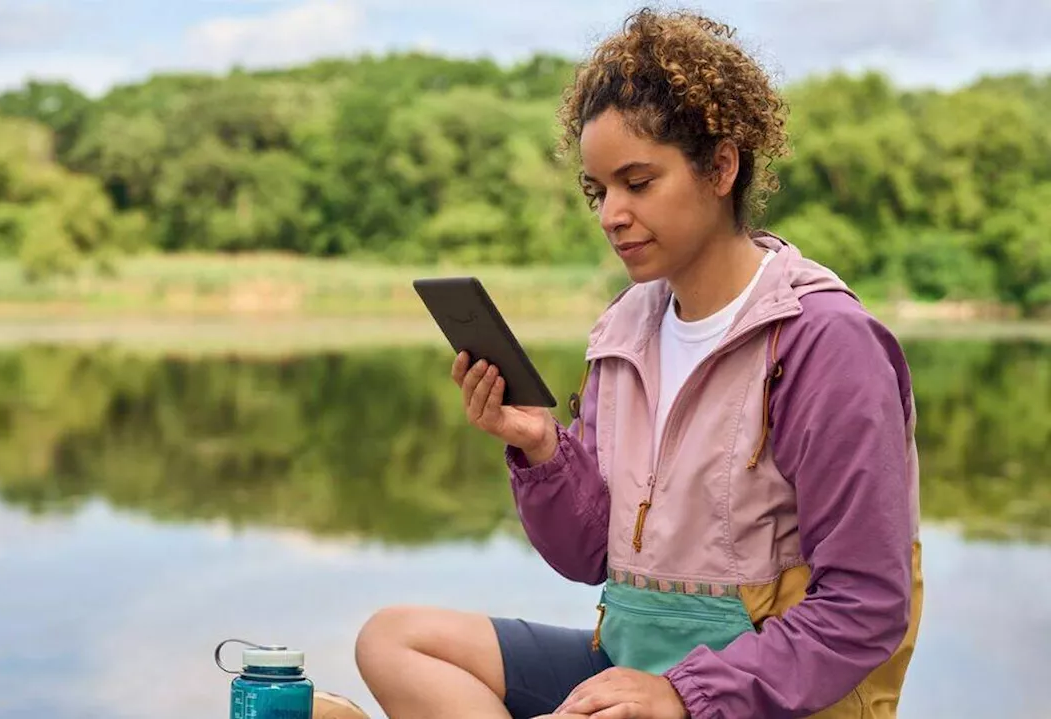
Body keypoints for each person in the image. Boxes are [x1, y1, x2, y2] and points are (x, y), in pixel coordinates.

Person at [354, 7, 923, 719]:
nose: (610, 214)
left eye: (638, 182)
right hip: (631, 662)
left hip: (759, 697)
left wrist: (682, 694)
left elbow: (866, 604)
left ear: (721, 165)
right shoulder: (622, 333)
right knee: (394, 639)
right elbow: (591, 556)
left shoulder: (823, 341)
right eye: (599, 191)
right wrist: (537, 446)